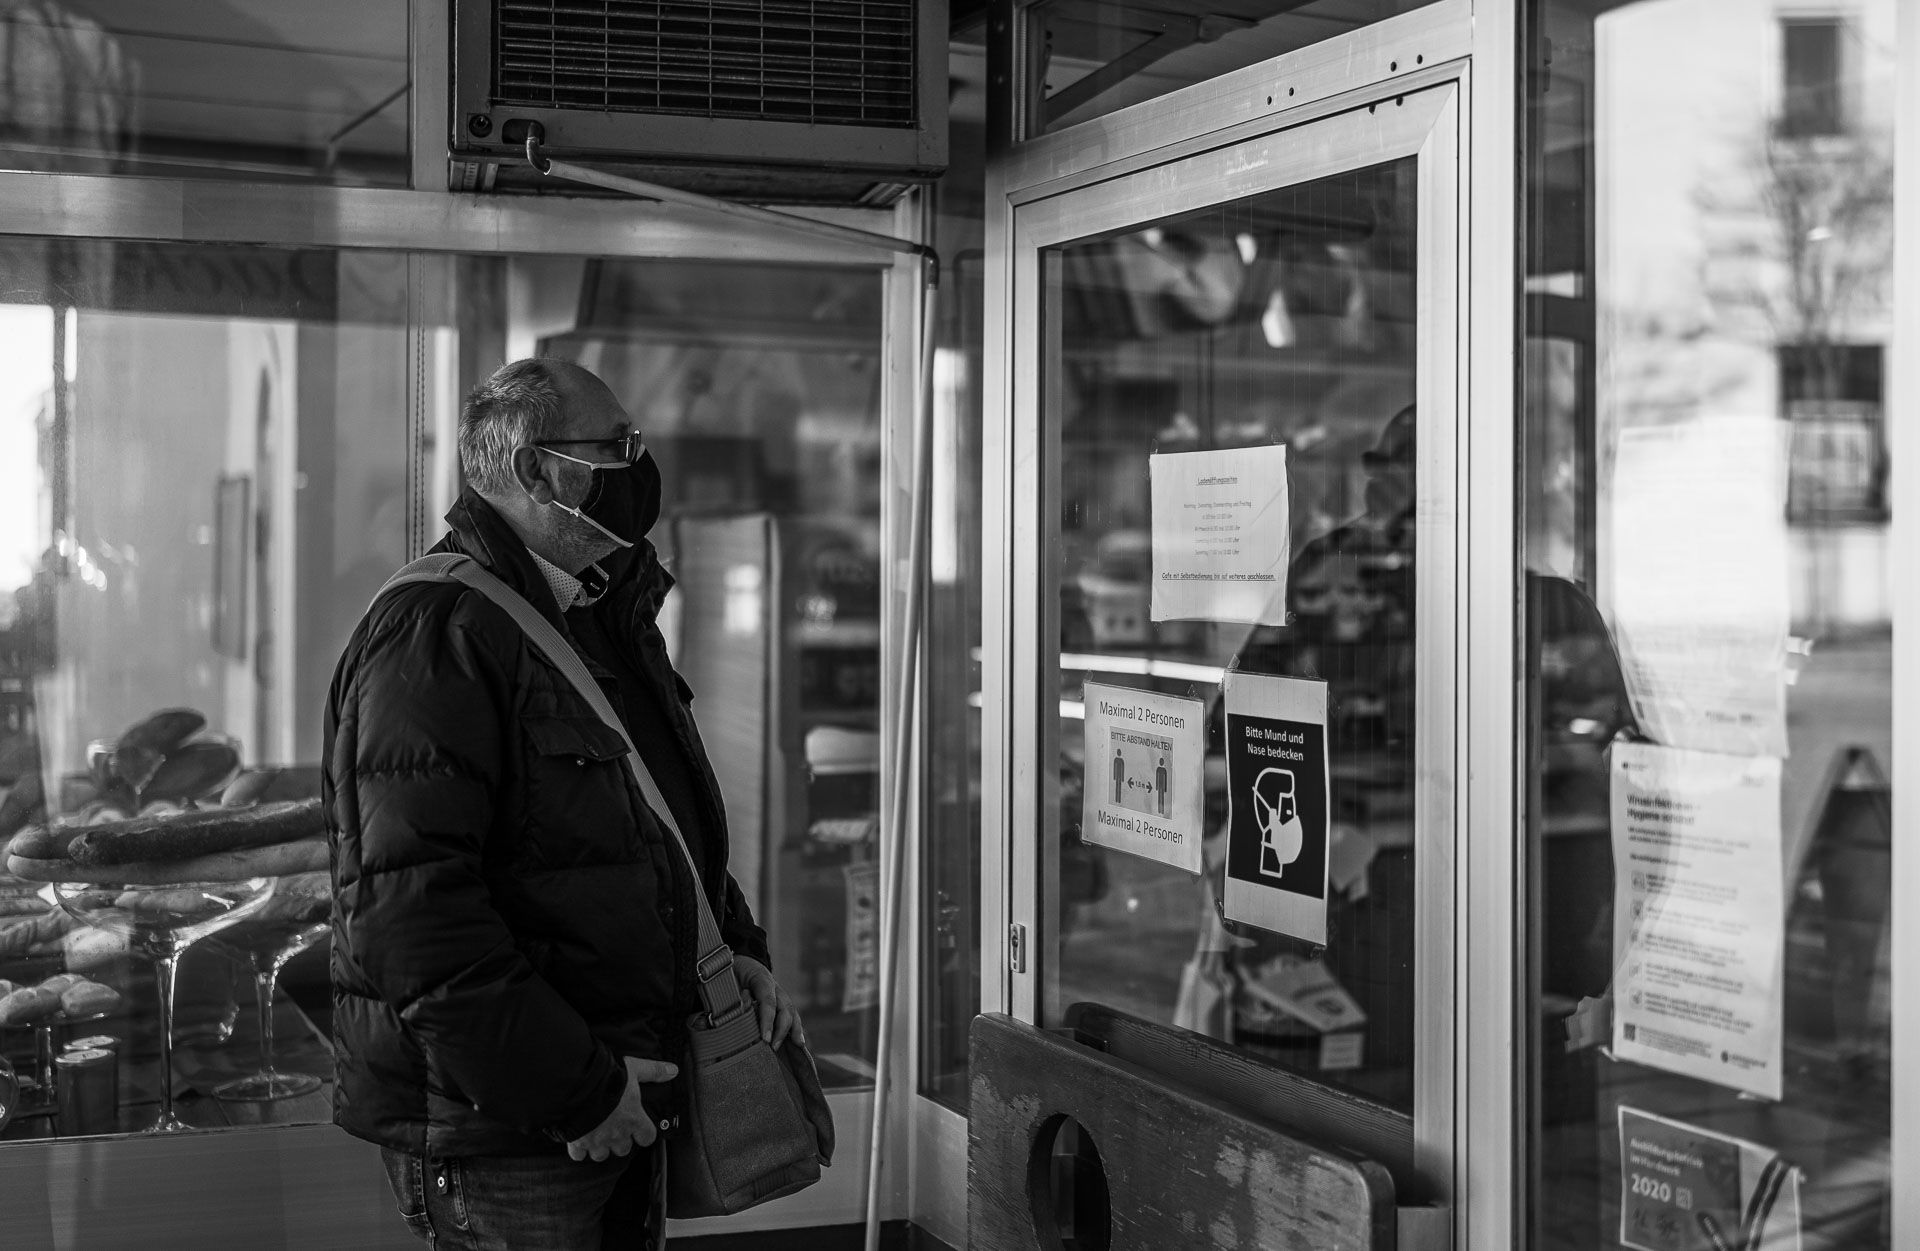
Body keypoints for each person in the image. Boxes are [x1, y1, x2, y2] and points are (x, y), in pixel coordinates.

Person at [323, 357, 803, 1250]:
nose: (639, 466)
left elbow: (646, 825)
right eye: (618, 446)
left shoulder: (593, 612)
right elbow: (411, 920)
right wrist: (576, 1091)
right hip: (521, 1137)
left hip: (618, 1100)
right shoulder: (436, 635)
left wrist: (726, 947)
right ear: (540, 471)